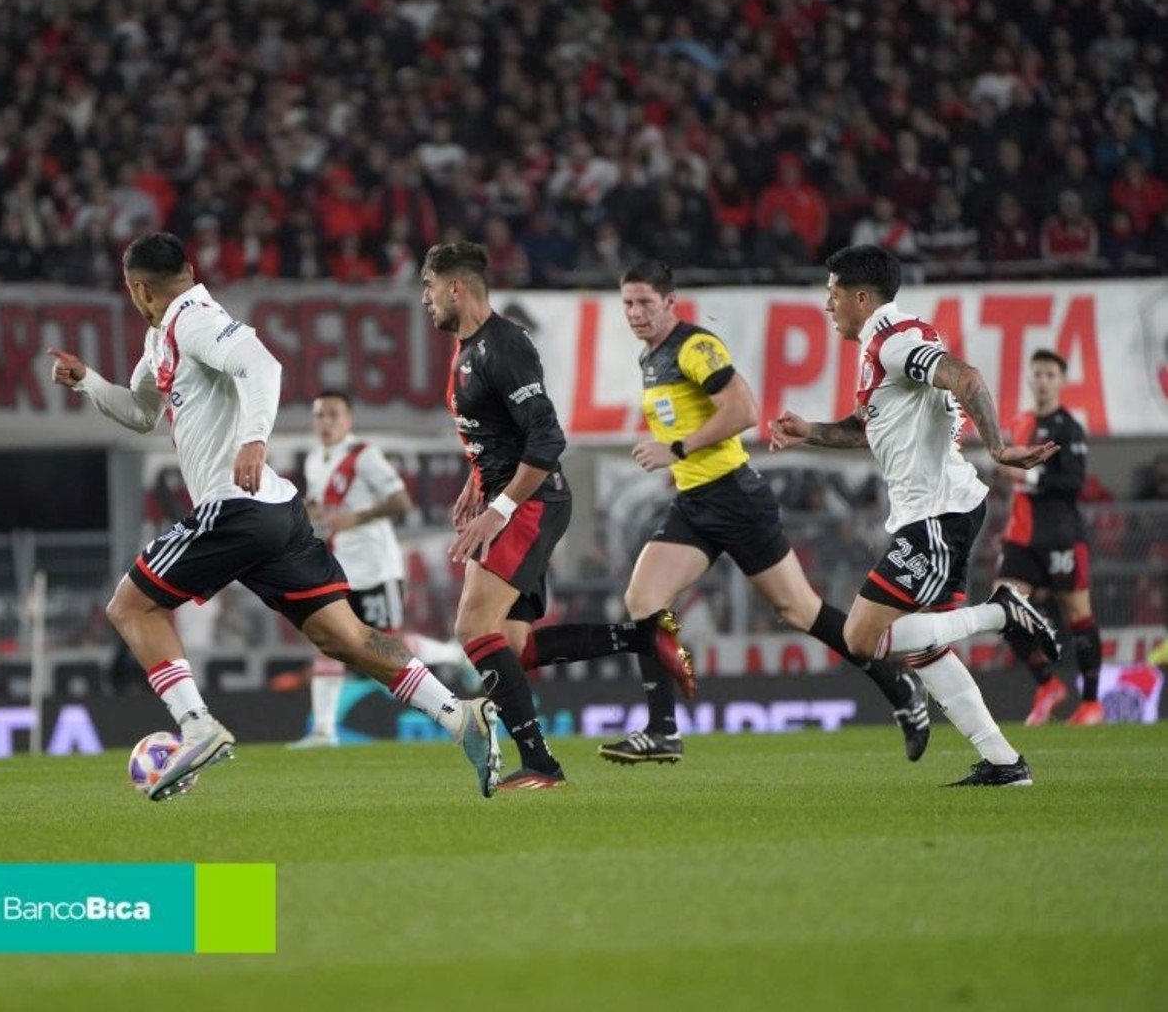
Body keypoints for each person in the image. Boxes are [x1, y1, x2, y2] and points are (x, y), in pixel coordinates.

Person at [49, 232, 501, 800]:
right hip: (275, 514)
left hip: (235, 506)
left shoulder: (194, 320)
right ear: (188, 266)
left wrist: (254, 439)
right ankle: (459, 715)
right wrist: (88, 381)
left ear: (136, 288)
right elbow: (141, 413)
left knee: (131, 606)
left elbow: (262, 365)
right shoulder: (161, 337)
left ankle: (197, 726)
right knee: (348, 638)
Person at [596, 261, 930, 768]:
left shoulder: (694, 347)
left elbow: (744, 410)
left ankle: (898, 682)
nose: (636, 313)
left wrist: (678, 448)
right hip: (694, 503)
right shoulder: (651, 358)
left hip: (734, 498)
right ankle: (662, 731)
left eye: (645, 302)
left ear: (670, 302)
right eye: (627, 304)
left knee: (800, 611)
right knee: (643, 598)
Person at [770, 245, 1060, 786]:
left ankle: (1001, 613)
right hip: (935, 511)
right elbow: (867, 429)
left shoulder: (895, 340)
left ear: (861, 296)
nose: (827, 304)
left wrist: (997, 447)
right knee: (923, 649)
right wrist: (809, 431)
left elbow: (967, 377)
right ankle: (1003, 762)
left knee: (860, 638)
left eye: (833, 292)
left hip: (936, 515)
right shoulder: (883, 344)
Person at [423, 241, 692, 791]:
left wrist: (496, 509)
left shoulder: (504, 345)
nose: (424, 300)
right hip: (511, 497)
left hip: (531, 501)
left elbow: (547, 438)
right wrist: (476, 485)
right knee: (512, 646)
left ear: (455, 287)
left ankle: (541, 763)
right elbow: (501, 434)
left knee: (472, 629)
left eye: (428, 287)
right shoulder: (467, 348)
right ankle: (642, 640)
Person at [291, 390, 414, 748]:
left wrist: (357, 517)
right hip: (341, 568)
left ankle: (452, 655)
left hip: (377, 566)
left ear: (349, 420)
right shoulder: (316, 459)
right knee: (327, 642)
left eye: (333, 415)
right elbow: (319, 505)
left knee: (388, 648)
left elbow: (400, 502)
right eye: (320, 415)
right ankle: (323, 731)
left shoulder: (365, 455)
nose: (325, 422)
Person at [994, 349, 1103, 726]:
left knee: (1078, 617)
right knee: (1002, 611)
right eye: (1037, 372)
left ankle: (1091, 703)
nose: (1041, 380)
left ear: (1061, 381)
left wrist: (1027, 477)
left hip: (1060, 535)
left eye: (1049, 374)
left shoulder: (1067, 427)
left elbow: (1074, 483)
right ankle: (1048, 684)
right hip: (1021, 536)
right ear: (1029, 377)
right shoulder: (1021, 422)